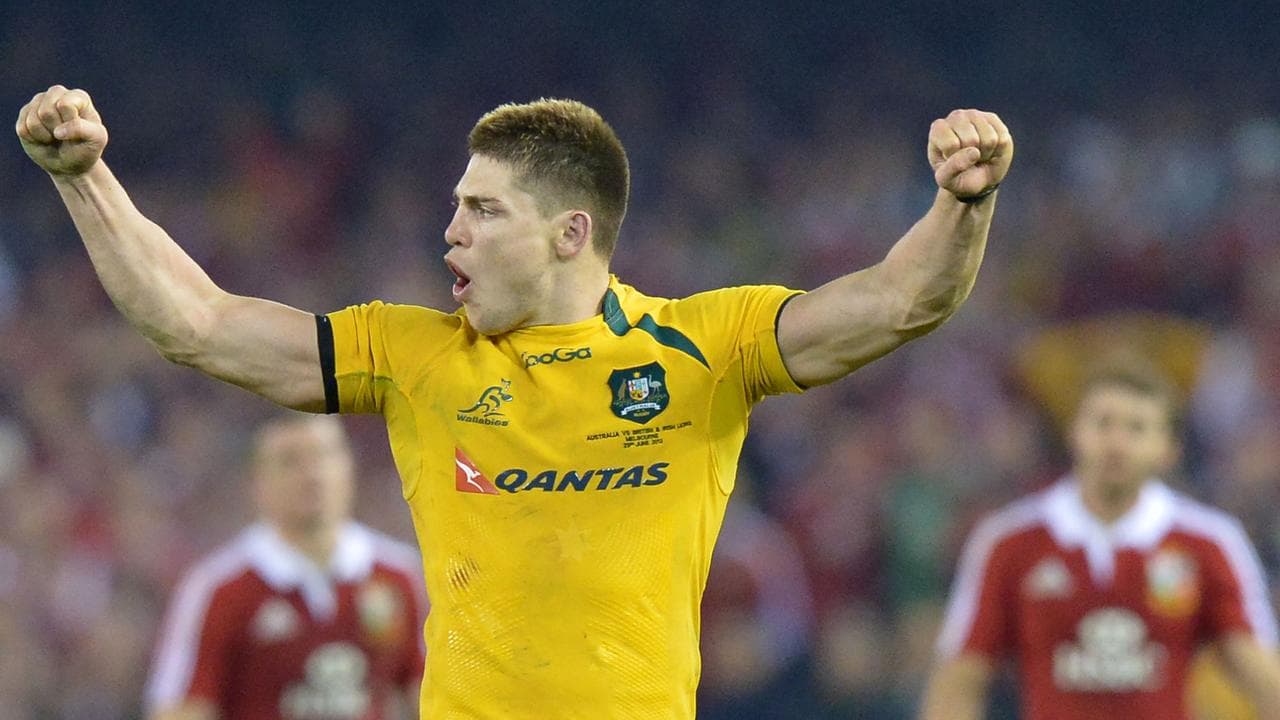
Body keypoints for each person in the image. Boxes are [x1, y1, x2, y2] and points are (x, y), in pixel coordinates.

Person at [16, 84, 1012, 718]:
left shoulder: (704, 346)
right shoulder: (412, 353)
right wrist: (86, 180)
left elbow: (900, 300)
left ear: (570, 233)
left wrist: (962, 204)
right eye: (455, 206)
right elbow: (200, 324)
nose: (449, 231)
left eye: (482, 210)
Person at [921, 361, 1280, 720]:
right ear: (1074, 432)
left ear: (1169, 449)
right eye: (1103, 423)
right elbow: (958, 685)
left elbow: (1265, 681)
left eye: (1136, 428)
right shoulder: (1010, 542)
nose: (1116, 443)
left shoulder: (1209, 543)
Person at [146, 414, 425, 720]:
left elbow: (432, 692)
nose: (312, 475)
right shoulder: (220, 589)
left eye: (324, 455)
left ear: (349, 466)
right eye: (290, 461)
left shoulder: (399, 576)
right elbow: (182, 709)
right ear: (257, 482)